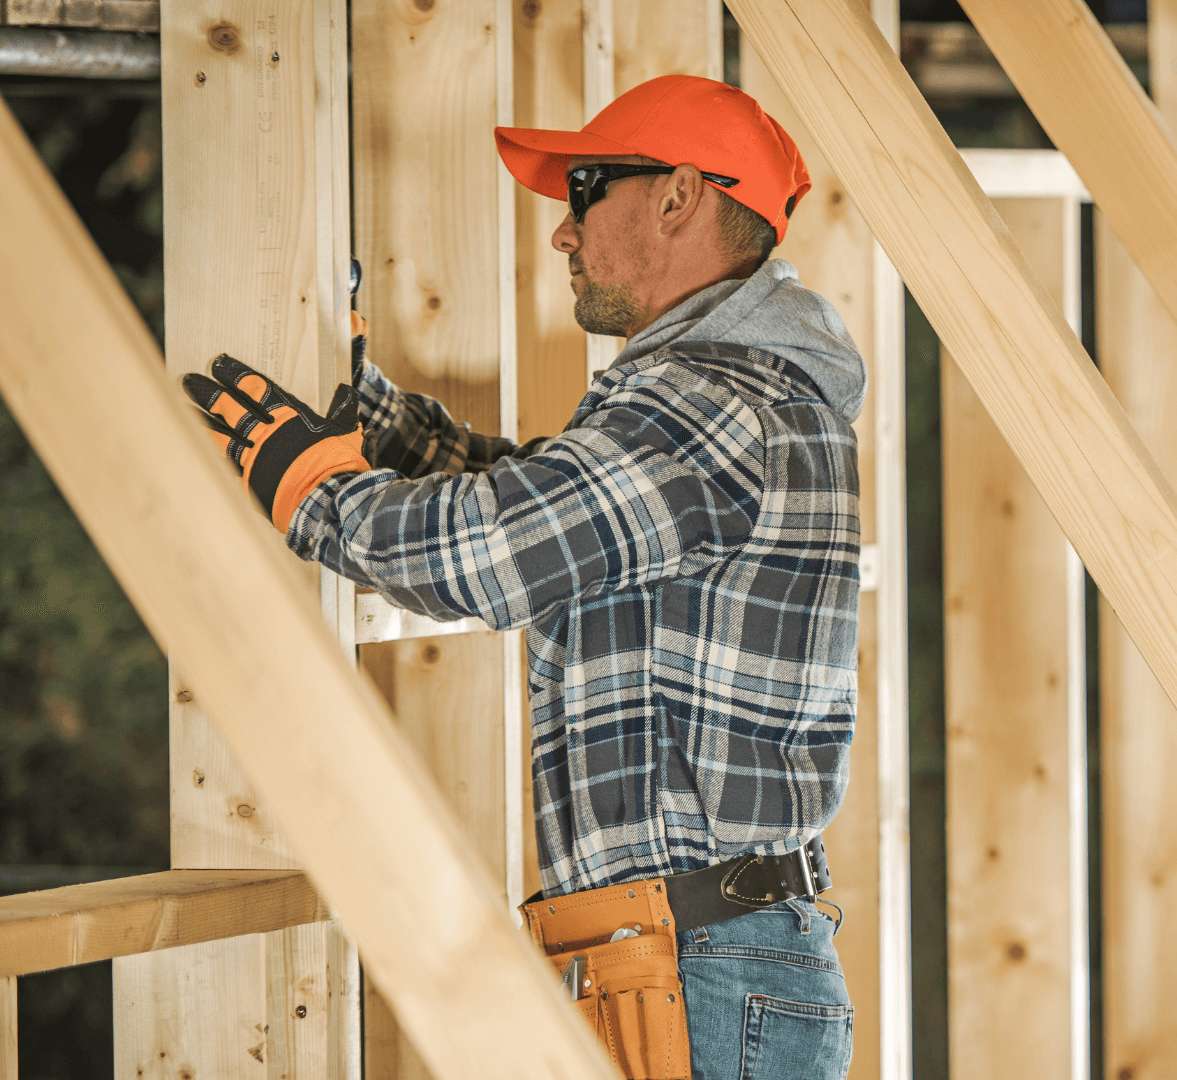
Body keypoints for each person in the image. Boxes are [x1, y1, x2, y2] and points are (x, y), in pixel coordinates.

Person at [180, 75, 864, 1080]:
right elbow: (562, 507)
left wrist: (317, 495)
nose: (563, 230)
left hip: (694, 962)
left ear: (678, 195)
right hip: (696, 954)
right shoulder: (730, 398)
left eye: (585, 187)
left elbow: (495, 555)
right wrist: (386, 430)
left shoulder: (710, 400)